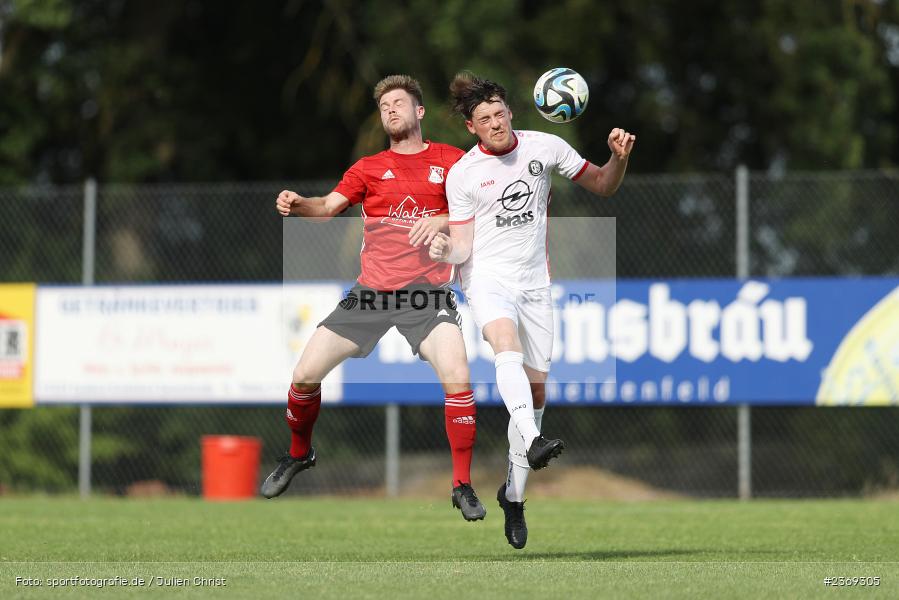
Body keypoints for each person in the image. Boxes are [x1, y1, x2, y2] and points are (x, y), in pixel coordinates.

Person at [262, 74, 486, 522]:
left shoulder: (453, 161)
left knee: (458, 376)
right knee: (304, 374)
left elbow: (479, 210)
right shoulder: (368, 167)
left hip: (428, 295)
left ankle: (461, 484)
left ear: (419, 111)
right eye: (384, 107)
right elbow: (327, 207)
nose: (390, 111)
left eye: (399, 103)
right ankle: (299, 454)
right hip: (372, 294)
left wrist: (440, 221)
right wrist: (298, 203)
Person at [430, 72, 635, 548]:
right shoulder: (463, 174)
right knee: (504, 345)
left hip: (535, 283)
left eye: (500, 113)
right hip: (486, 278)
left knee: (537, 391)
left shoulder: (546, 147)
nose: (496, 123)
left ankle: (514, 496)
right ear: (472, 128)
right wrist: (444, 251)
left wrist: (619, 159)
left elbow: (604, 185)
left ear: (511, 113)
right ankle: (533, 439)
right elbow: (462, 247)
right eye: (485, 119)